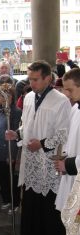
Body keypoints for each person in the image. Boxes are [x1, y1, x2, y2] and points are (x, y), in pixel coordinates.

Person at [5, 60, 71, 235]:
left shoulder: (61, 101)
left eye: (35, 79)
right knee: (32, 202)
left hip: (49, 162)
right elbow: (27, 124)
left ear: (47, 78)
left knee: (48, 207)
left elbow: (64, 133)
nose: (31, 83)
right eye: (30, 79)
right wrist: (18, 134)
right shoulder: (29, 97)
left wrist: (42, 144)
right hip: (31, 160)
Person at [0, 75, 22, 213]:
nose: (4, 100)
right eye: (2, 97)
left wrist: (13, 154)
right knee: (3, 178)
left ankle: (15, 202)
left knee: (13, 180)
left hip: (10, 152)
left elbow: (15, 134)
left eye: (7, 97)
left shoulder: (17, 113)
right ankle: (6, 200)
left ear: (12, 98)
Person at [54, 68, 80, 211]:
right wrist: (63, 156)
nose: (66, 94)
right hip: (72, 174)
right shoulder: (75, 108)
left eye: (70, 90)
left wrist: (68, 164)